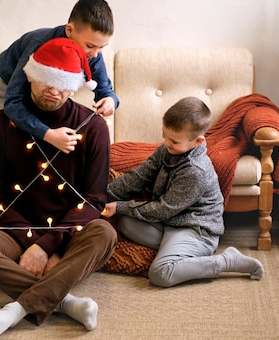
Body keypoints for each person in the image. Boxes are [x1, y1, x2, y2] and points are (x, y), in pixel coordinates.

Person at [0, 38, 117, 340]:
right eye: (46, 80)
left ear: (75, 85)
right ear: (29, 75)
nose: (53, 90)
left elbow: (94, 200)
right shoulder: (0, 123)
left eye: (63, 83)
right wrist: (36, 245)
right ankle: (64, 300)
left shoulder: (93, 127)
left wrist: (49, 245)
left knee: (105, 234)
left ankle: (15, 310)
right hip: (18, 233)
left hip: (72, 233)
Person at [0, 0, 119, 266]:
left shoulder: (92, 53)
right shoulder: (38, 44)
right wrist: (48, 134)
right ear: (70, 30)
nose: (95, 53)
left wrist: (110, 101)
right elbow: (13, 104)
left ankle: (50, 238)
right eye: (91, 45)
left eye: (101, 47)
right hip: (8, 88)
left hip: (46, 96)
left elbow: (107, 90)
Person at [102, 96, 264, 287]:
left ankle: (225, 260)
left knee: (161, 273)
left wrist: (120, 206)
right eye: (164, 135)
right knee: (125, 222)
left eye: (174, 141)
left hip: (194, 229)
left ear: (197, 141)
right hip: (168, 222)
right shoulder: (166, 150)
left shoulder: (196, 171)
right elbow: (138, 177)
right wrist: (103, 195)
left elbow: (163, 208)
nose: (166, 143)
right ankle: (175, 252)